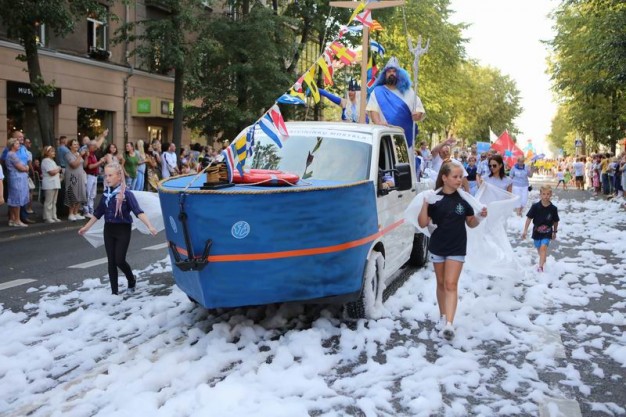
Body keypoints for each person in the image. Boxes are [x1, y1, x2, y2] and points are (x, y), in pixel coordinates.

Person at [417, 160, 487, 341]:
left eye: (460, 176)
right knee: (441, 283)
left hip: (457, 247)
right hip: (438, 246)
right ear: (444, 178)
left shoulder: (464, 199)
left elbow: (470, 223)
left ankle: (449, 323)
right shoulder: (434, 198)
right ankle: (442, 316)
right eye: (455, 176)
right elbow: (422, 223)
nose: (459, 180)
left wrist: (479, 217)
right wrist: (425, 204)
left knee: (451, 284)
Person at [79, 163, 157, 295]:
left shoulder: (126, 194)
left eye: (110, 175)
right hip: (109, 230)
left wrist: (149, 226)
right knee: (111, 262)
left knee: (119, 260)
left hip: (123, 230)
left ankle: (131, 279)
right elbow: (98, 213)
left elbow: (138, 212)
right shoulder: (106, 194)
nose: (107, 178)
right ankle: (114, 293)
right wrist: (86, 227)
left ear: (119, 177)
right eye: (105, 176)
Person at [366, 56, 426, 149]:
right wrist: (378, 122)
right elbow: (373, 110)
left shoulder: (408, 92)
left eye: (394, 71)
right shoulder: (377, 91)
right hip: (384, 137)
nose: (391, 73)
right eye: (389, 71)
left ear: (399, 74)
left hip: (404, 138)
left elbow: (419, 110)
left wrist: (417, 115)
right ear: (384, 74)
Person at [521, 185, 559, 272]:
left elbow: (555, 221)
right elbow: (529, 218)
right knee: (539, 249)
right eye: (544, 194)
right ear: (540, 195)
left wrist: (554, 231)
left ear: (551, 195)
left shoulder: (553, 209)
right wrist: (525, 230)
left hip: (547, 232)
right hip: (536, 232)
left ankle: (540, 267)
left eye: (548, 194)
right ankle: (543, 261)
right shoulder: (535, 207)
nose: (546, 196)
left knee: (543, 248)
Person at [5, 138, 30, 227]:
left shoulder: (10, 154)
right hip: (17, 179)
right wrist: (26, 168)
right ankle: (17, 220)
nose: (19, 145)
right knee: (17, 200)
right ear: (12, 145)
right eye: (16, 143)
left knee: (13, 199)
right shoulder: (12, 155)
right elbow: (21, 168)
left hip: (15, 178)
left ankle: (12, 219)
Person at [64, 138, 87, 221]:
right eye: (74, 144)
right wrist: (80, 156)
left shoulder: (78, 154)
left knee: (80, 194)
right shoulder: (68, 154)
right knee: (72, 194)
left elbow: (85, 165)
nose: (76, 146)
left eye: (77, 144)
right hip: (72, 177)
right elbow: (74, 165)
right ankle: (70, 213)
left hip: (80, 177)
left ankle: (76, 213)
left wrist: (86, 156)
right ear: (70, 146)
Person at [83, 140, 106, 218]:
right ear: (90, 146)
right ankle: (86, 211)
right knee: (88, 194)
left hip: (94, 176)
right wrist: (100, 162)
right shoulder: (88, 154)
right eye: (94, 145)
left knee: (92, 195)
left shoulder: (93, 154)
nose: (96, 147)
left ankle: (91, 210)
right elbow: (89, 166)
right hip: (89, 175)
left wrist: (100, 162)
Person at [41, 146, 62, 223]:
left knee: (54, 201)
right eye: (52, 151)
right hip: (49, 183)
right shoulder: (46, 161)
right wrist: (58, 169)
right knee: (49, 201)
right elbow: (51, 172)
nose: (54, 153)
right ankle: (47, 217)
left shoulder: (52, 161)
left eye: (54, 151)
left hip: (55, 183)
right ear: (47, 153)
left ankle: (54, 216)